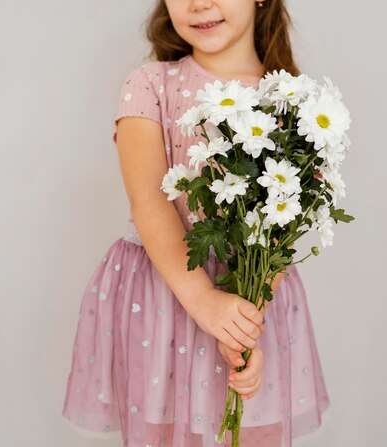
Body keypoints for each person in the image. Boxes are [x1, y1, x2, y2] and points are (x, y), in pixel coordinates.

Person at [61, 1, 330, 445]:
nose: (199, 3)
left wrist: (244, 325)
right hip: (168, 295)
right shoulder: (149, 85)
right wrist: (204, 302)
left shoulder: (297, 104)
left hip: (249, 300)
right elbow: (148, 198)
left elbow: (287, 224)